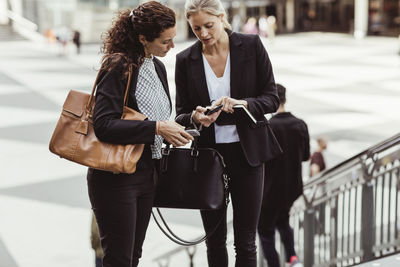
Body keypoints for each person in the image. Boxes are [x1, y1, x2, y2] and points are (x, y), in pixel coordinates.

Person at [87, 2, 193, 267]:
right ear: (143, 38)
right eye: (165, 41)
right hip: (116, 177)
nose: (172, 47)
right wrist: (156, 128)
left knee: (133, 257)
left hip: (147, 172)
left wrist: (189, 120)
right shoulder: (118, 65)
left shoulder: (156, 67)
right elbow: (104, 124)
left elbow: (159, 118)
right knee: (119, 260)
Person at [175, 1, 279, 266]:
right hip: (208, 157)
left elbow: (271, 98)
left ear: (222, 17)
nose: (203, 33)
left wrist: (245, 104)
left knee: (245, 240)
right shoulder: (185, 60)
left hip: (248, 155)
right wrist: (195, 117)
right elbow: (181, 113)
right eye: (196, 28)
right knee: (214, 239)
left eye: (209, 25)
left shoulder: (252, 46)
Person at [258, 84, 310, 267]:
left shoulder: (268, 127)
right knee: (283, 220)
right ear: (285, 99)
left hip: (270, 190)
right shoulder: (300, 124)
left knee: (265, 231)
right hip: (291, 188)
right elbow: (305, 157)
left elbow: (259, 160)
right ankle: (293, 259)